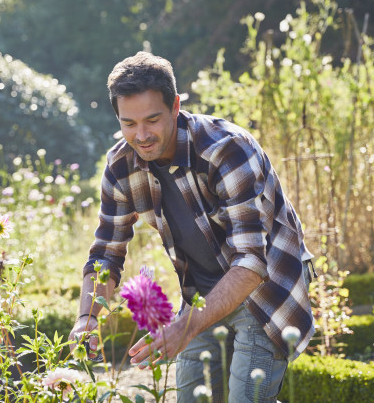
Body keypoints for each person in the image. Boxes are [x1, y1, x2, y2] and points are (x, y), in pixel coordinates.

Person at [68, 51, 315, 403]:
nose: (141, 135)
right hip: (202, 294)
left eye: (152, 120)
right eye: (128, 123)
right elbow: (106, 252)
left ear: (175, 107)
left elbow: (250, 263)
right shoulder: (121, 166)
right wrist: (87, 318)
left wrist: (183, 327)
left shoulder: (227, 150)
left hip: (265, 286)